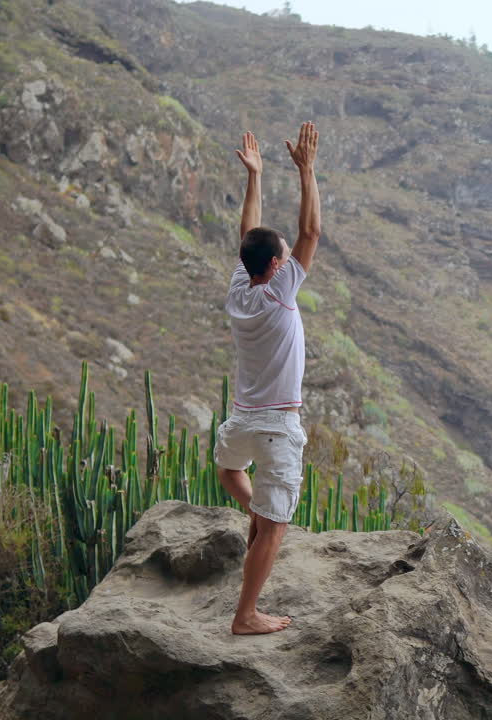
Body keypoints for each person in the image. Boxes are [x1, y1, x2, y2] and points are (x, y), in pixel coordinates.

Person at [212, 122, 320, 635]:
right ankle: (245, 615)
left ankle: (256, 512)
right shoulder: (282, 291)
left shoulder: (240, 289)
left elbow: (246, 236)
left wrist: (254, 176)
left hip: (241, 421)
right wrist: (307, 171)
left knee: (232, 473)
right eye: (282, 255)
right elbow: (311, 233)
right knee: (273, 529)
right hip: (277, 425)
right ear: (277, 265)